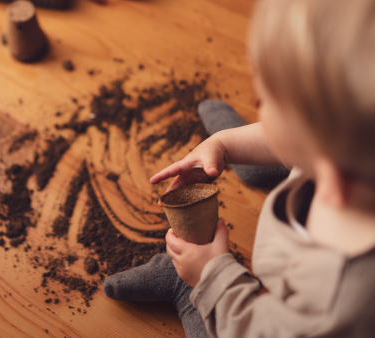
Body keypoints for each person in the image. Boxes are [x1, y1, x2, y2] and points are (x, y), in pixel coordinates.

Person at [103, 0, 375, 337]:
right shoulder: (354, 155)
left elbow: (253, 329)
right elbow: (301, 141)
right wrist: (223, 144)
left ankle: (188, 291)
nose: (257, 104)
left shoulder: (333, 306)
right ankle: (253, 163)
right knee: (264, 157)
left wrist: (210, 277)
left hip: (252, 317)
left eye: (267, 101)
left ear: (328, 171)